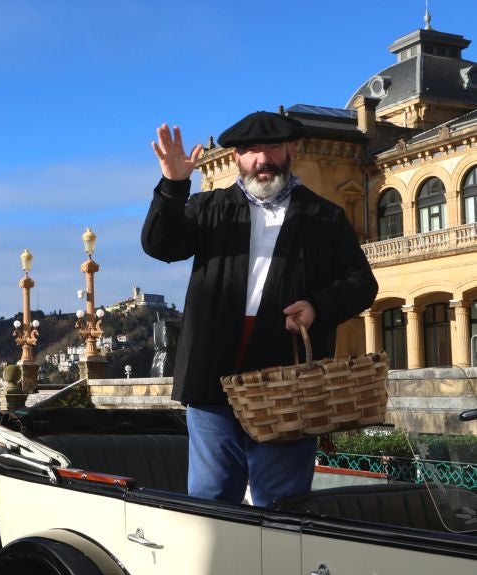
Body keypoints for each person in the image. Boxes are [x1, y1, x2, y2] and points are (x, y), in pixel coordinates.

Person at [142, 111, 378, 507]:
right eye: (251, 150)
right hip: (211, 375)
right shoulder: (209, 208)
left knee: (281, 502)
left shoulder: (324, 217)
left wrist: (318, 306)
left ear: (290, 150)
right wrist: (174, 185)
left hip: (286, 381)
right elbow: (161, 245)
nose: (262, 158)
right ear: (237, 158)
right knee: (211, 499)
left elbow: (362, 284)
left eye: (272, 148)